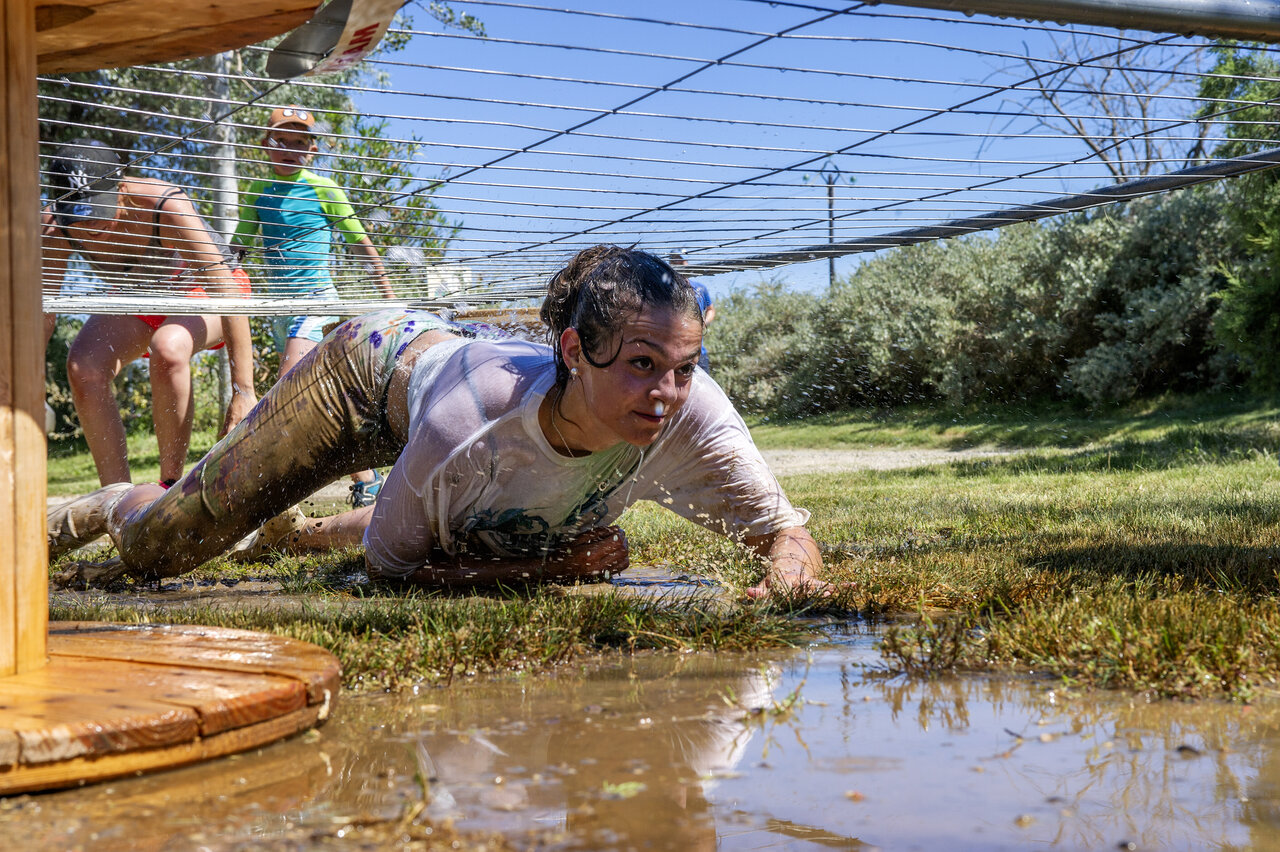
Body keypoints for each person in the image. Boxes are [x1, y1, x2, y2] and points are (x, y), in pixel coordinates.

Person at [48, 246, 824, 599]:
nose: (667, 394)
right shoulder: (472, 426)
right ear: (575, 352)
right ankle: (99, 505)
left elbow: (789, 536)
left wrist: (782, 584)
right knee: (161, 550)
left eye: (685, 367)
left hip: (438, 395)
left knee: (487, 521)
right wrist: (551, 570)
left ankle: (293, 527)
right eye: (642, 365)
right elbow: (389, 575)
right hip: (361, 373)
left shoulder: (697, 414)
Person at [41, 139, 257, 487]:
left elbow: (224, 288)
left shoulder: (164, 203)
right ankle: (116, 501)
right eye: (77, 216)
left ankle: (168, 488)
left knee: (168, 347)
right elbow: (42, 314)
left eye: (96, 212)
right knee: (84, 367)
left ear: (121, 188)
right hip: (139, 298)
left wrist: (243, 391)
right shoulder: (55, 227)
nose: (88, 228)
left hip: (206, 292)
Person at [232, 105, 395, 507]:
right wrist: (212, 274)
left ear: (312, 149)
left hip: (317, 301)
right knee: (320, 396)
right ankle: (367, 479)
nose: (289, 150)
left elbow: (360, 242)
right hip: (280, 309)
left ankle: (276, 485)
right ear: (266, 147)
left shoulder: (324, 189)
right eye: (280, 142)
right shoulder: (257, 192)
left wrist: (389, 295)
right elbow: (238, 247)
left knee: (291, 385)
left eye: (299, 143)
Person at [667, 253, 716, 372]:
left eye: (680, 261)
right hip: (672, 350)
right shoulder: (665, 288)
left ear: (686, 263)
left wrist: (703, 323)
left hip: (698, 351)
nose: (677, 264)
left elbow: (711, 310)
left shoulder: (699, 288)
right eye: (674, 262)